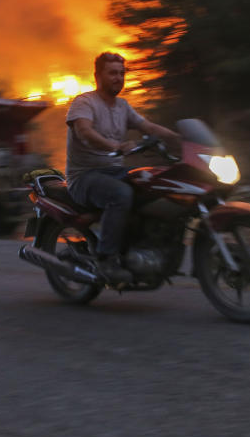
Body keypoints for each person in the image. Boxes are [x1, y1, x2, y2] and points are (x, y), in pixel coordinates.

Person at [65, 52, 180, 283]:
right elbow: (85, 132)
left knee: (154, 185)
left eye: (121, 73)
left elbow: (147, 126)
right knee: (121, 194)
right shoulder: (84, 102)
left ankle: (140, 247)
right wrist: (116, 146)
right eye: (112, 73)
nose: (118, 78)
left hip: (114, 172)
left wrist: (181, 139)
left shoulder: (122, 106)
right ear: (98, 76)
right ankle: (106, 258)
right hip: (84, 177)